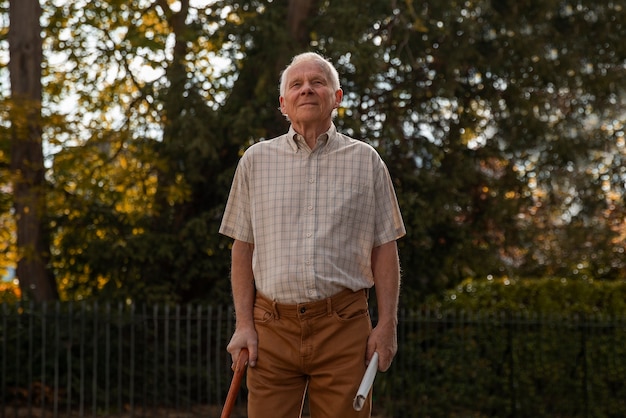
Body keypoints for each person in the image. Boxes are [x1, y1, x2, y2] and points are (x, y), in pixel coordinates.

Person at [219, 51, 406, 418]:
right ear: (283, 103)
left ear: (337, 97)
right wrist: (243, 325)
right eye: (297, 84)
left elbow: (385, 249)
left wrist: (387, 325)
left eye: (317, 82)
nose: (307, 90)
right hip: (271, 329)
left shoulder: (366, 161)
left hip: (344, 327)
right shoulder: (254, 161)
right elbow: (243, 248)